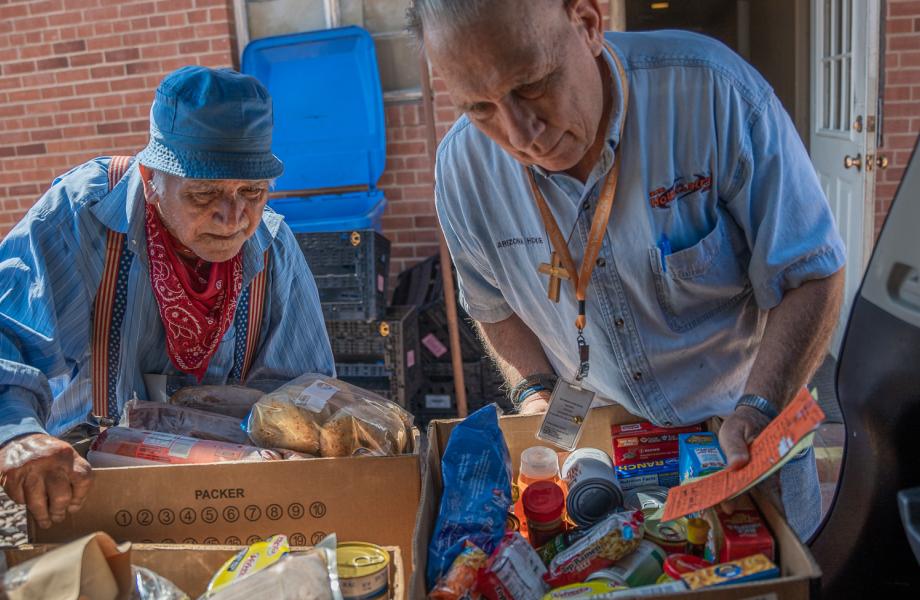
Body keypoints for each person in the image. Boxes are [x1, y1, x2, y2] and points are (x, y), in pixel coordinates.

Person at [408, 0, 845, 540]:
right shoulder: (462, 172)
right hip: (602, 456)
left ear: (589, 23)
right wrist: (536, 396)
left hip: (740, 435)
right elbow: (494, 307)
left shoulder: (712, 94)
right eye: (479, 108)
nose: (521, 133)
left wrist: (760, 407)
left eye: (533, 85)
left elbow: (811, 272)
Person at [0, 66, 334, 529]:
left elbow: (304, 392)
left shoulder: (273, 248)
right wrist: (17, 436)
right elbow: (7, 338)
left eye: (252, 192)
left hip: (230, 489)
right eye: (204, 193)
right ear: (151, 177)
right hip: (83, 482)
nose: (232, 216)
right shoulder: (81, 214)